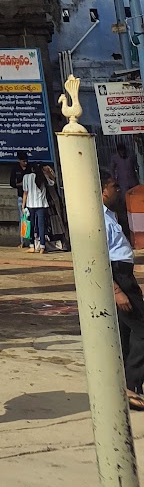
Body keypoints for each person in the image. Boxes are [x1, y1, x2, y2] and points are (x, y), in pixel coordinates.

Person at [103, 173, 144, 410]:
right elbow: (99, 259)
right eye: (114, 186)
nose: (118, 190)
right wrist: (116, 289)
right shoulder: (98, 218)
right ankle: (131, 384)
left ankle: (128, 385)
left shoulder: (111, 214)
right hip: (118, 275)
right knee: (141, 328)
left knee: (127, 331)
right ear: (103, 190)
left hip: (125, 274)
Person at [20, 162, 51, 252]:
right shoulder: (43, 176)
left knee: (31, 225)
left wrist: (23, 206)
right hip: (41, 204)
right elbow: (52, 183)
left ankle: (32, 246)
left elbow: (25, 192)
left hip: (30, 204)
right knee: (41, 226)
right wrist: (49, 172)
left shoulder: (26, 177)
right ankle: (42, 247)